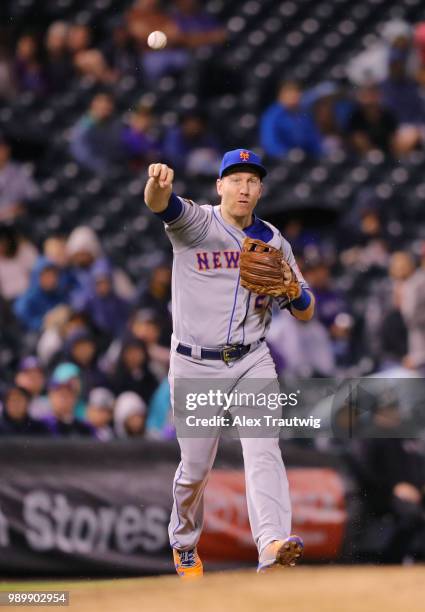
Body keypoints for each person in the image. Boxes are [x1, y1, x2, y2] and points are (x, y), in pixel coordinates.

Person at [143, 149, 315, 577]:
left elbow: (306, 310)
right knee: (196, 470)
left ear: (260, 190)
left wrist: (293, 291)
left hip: (251, 360)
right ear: (219, 186)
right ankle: (183, 542)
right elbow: (160, 205)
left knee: (263, 451)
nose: (244, 187)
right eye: (235, 179)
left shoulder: (274, 241)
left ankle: (271, 544)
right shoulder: (198, 223)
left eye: (252, 180)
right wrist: (157, 185)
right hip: (195, 365)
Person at [260, 81, 323, 158]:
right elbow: (270, 142)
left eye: (296, 95)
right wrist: (286, 153)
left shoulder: (302, 114)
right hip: (280, 159)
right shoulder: (273, 115)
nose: (295, 98)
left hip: (303, 156)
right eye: (291, 95)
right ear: (282, 96)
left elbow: (312, 138)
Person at [13, 257, 66, 331]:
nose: (51, 279)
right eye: (46, 276)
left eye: (53, 275)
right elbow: (23, 321)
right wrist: (44, 322)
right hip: (35, 336)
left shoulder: (59, 293)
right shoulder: (27, 299)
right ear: (37, 276)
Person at [0, 136, 40, 223]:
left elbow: (34, 199)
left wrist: (21, 208)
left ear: (7, 149)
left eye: (1, 148)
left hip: (16, 223)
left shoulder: (21, 171)